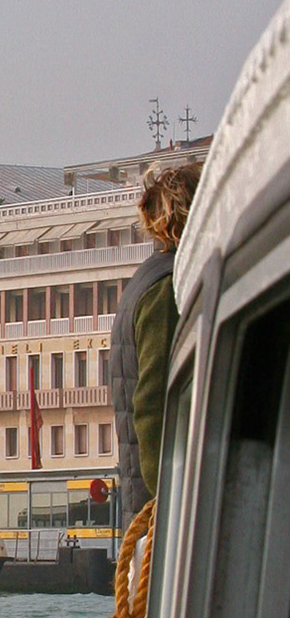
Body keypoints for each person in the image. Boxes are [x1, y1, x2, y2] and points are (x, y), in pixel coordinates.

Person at [110, 157, 202, 527]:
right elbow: (152, 405)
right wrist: (172, 500)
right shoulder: (166, 288)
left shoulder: (145, 280)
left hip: (144, 503)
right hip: (163, 512)